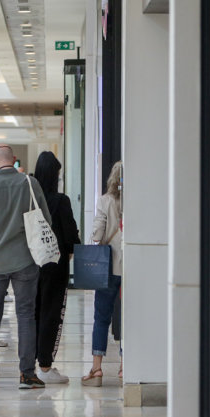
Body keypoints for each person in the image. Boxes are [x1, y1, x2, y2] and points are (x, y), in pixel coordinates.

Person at [0, 145, 52, 390]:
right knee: (25, 315)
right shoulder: (29, 184)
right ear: (14, 161)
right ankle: (27, 374)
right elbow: (45, 220)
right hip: (25, 260)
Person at [32, 152, 79, 385]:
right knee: (51, 313)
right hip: (56, 263)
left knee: (31, 312)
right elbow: (70, 232)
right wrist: (74, 248)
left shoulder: (28, 198)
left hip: (31, 262)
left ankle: (28, 365)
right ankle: (45, 365)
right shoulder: (61, 201)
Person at [83, 161, 124, 386]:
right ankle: (124, 366)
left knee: (101, 318)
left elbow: (97, 234)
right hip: (131, 268)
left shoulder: (105, 201)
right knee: (129, 319)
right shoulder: (136, 201)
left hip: (107, 267)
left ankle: (97, 369)